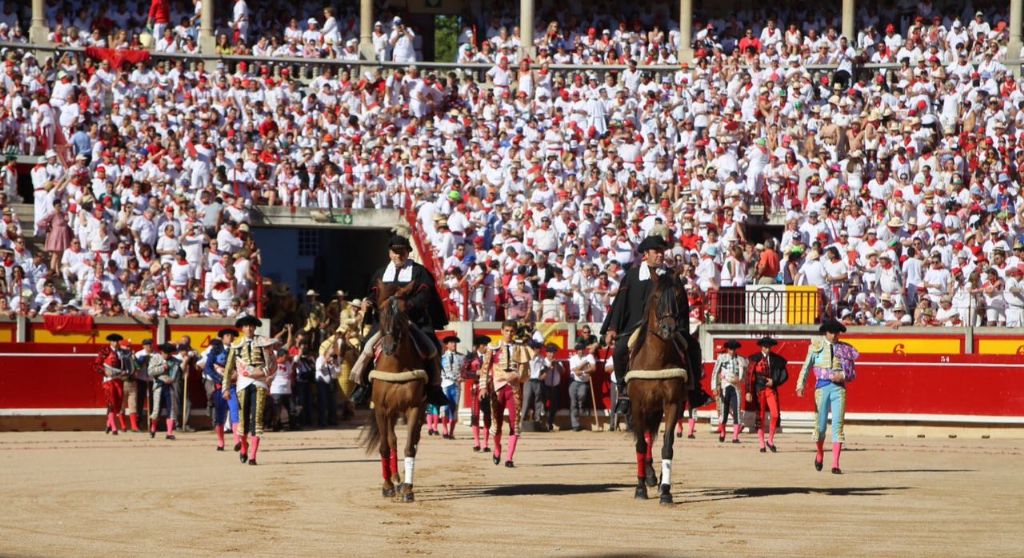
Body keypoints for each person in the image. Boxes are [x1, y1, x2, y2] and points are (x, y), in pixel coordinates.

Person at [351, 235, 450, 408]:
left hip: (413, 321)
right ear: (389, 253)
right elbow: (374, 295)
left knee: (433, 347)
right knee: (366, 345)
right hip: (387, 323)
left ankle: (434, 387)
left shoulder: (420, 272)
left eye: (402, 252)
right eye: (395, 252)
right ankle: (363, 386)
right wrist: (369, 302)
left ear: (408, 252)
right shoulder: (380, 273)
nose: (398, 255)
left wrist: (406, 306)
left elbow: (425, 296)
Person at [601, 235, 696, 414]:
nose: (660, 255)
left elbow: (682, 303)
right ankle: (623, 391)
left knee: (691, 347)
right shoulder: (632, 275)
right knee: (620, 350)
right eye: (656, 252)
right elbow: (621, 302)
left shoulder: (670, 276)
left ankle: (694, 391)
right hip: (636, 327)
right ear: (646, 254)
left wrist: (681, 328)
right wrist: (612, 328)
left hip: (666, 326)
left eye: (662, 252)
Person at [797, 320, 859, 474]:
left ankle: (835, 464)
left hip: (839, 389)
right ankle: (819, 453)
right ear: (825, 332)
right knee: (821, 427)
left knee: (838, 426)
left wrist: (842, 375)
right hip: (822, 388)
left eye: (837, 332)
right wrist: (800, 385)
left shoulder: (845, 348)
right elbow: (806, 367)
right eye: (831, 332)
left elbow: (852, 373)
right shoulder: (815, 346)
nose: (834, 335)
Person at [222, 315, 276, 465]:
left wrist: (264, 373)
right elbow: (228, 368)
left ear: (255, 327)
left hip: (259, 382)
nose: (249, 328)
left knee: (257, 418)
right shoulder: (236, 344)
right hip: (243, 383)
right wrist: (226, 388)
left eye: (252, 326)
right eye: (246, 326)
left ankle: (253, 456)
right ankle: (244, 447)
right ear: (243, 328)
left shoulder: (264, 342)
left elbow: (272, 363)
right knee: (243, 418)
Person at [480, 320, 532, 467]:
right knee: (496, 424)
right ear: (502, 331)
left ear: (515, 332)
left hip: (514, 389)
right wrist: (483, 387)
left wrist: (517, 376)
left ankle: (509, 458)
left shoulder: (521, 348)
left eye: (512, 331)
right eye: (507, 330)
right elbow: (485, 369)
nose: (509, 334)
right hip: (497, 388)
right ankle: (497, 448)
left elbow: (526, 372)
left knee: (515, 424)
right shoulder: (493, 347)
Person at [746, 337, 788, 452]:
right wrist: (748, 391)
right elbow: (749, 376)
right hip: (759, 390)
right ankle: (761, 444)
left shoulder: (776, 359)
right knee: (761, 416)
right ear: (762, 347)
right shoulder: (755, 358)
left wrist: (774, 381)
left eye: (769, 347)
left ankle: (770, 440)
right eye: (765, 347)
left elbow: (784, 375)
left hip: (771, 390)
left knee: (774, 414)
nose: (767, 349)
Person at [200, 328, 237, 450]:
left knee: (235, 412)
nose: (230, 337)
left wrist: (238, 374)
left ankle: (237, 441)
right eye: (227, 335)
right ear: (222, 338)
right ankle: (221, 441)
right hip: (219, 387)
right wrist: (218, 379)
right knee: (220, 416)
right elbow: (207, 368)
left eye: (232, 335)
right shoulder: (215, 351)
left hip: (233, 386)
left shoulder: (237, 350)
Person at [95, 333, 131, 435]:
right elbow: (96, 365)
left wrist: (126, 372)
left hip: (119, 379)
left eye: (117, 341)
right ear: (110, 342)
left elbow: (128, 365)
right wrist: (105, 372)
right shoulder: (105, 351)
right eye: (113, 341)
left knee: (117, 403)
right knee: (111, 402)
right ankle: (114, 428)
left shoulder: (123, 352)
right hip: (109, 380)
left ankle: (108, 424)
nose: (115, 343)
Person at [711, 340, 746, 443]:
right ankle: (723, 433)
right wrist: (714, 387)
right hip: (725, 386)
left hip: (736, 387)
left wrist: (739, 379)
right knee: (724, 411)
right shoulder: (721, 358)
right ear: (727, 349)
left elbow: (744, 376)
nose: (732, 351)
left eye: (734, 349)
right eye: (730, 349)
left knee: (736, 410)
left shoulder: (740, 360)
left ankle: (735, 437)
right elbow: (715, 372)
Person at [462, 334, 492, 452]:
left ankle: (485, 443)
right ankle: (476, 442)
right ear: (479, 346)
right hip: (476, 388)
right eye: (485, 345)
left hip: (489, 388)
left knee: (487, 415)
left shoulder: (491, 357)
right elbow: (464, 373)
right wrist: (477, 373)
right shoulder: (471, 357)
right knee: (475, 415)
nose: (486, 347)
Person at [147, 343, 181, 440]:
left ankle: (169, 433)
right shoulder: (155, 358)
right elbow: (150, 372)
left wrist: (173, 379)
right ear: (161, 352)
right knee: (156, 409)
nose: (168, 355)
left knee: (171, 409)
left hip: (170, 387)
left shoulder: (175, 361)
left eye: (170, 353)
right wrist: (163, 368)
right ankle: (153, 429)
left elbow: (177, 375)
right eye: (166, 353)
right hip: (158, 386)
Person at [438, 335, 464, 439]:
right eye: (451, 343)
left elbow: (465, 371)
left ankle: (451, 432)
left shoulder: (461, 357)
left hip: (456, 385)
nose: (454, 344)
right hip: (445, 384)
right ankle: (445, 429)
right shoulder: (441, 358)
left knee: (454, 408)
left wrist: (463, 377)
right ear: (447, 345)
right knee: (444, 408)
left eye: (455, 343)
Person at [521, 340, 550, 430]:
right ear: (534, 349)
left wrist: (544, 374)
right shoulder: (527, 357)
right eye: (538, 348)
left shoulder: (541, 358)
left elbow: (547, 367)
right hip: (528, 381)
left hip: (537, 381)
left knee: (538, 401)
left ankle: (537, 420)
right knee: (526, 400)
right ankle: (522, 421)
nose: (540, 350)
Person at [567, 341, 596, 431]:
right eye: (579, 350)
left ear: (584, 350)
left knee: (582, 395)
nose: (580, 351)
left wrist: (582, 371)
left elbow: (593, 369)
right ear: (576, 351)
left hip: (584, 382)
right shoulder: (573, 359)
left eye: (582, 349)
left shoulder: (589, 356)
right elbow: (575, 371)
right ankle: (575, 425)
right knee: (573, 403)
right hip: (573, 381)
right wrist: (584, 365)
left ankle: (581, 407)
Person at [541, 343, 562, 431]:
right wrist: (548, 367)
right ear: (546, 353)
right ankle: (543, 422)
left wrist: (556, 365)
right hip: (544, 386)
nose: (551, 354)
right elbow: (541, 375)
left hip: (555, 386)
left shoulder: (558, 362)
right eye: (550, 352)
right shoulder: (543, 361)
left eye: (553, 352)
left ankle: (550, 422)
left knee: (553, 406)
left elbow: (562, 371)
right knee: (544, 405)